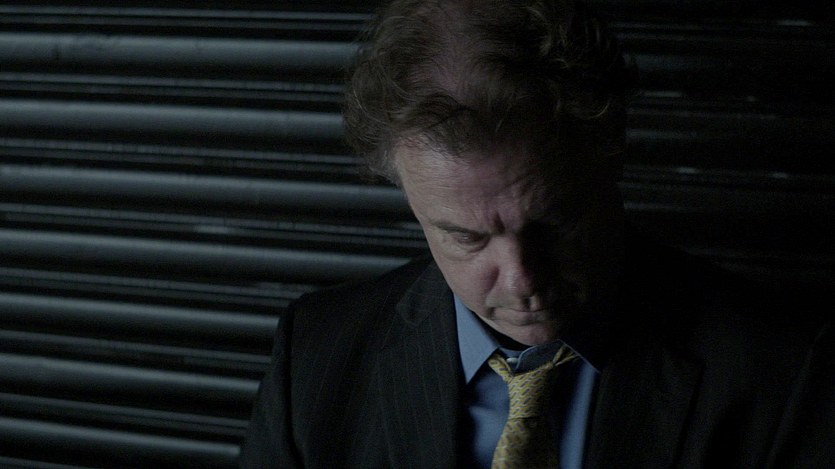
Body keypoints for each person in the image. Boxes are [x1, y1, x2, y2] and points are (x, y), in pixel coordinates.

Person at [240, 0, 833, 467]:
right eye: (467, 238)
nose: (522, 279)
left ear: (612, 152)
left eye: (554, 221)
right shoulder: (315, 356)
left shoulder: (782, 373)